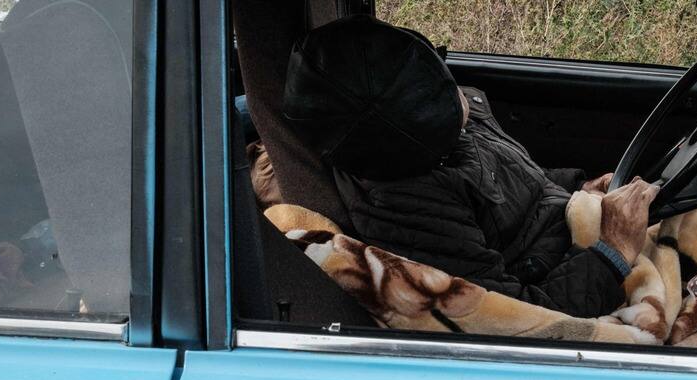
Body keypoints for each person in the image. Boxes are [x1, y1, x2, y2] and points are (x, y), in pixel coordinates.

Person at [280, 15, 659, 318]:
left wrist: (582, 187)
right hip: (576, 277)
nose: (457, 92)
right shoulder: (407, 209)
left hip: (580, 238)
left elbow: (518, 185)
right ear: (411, 131)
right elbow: (518, 315)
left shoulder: (442, 129)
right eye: (439, 97)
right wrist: (613, 252)